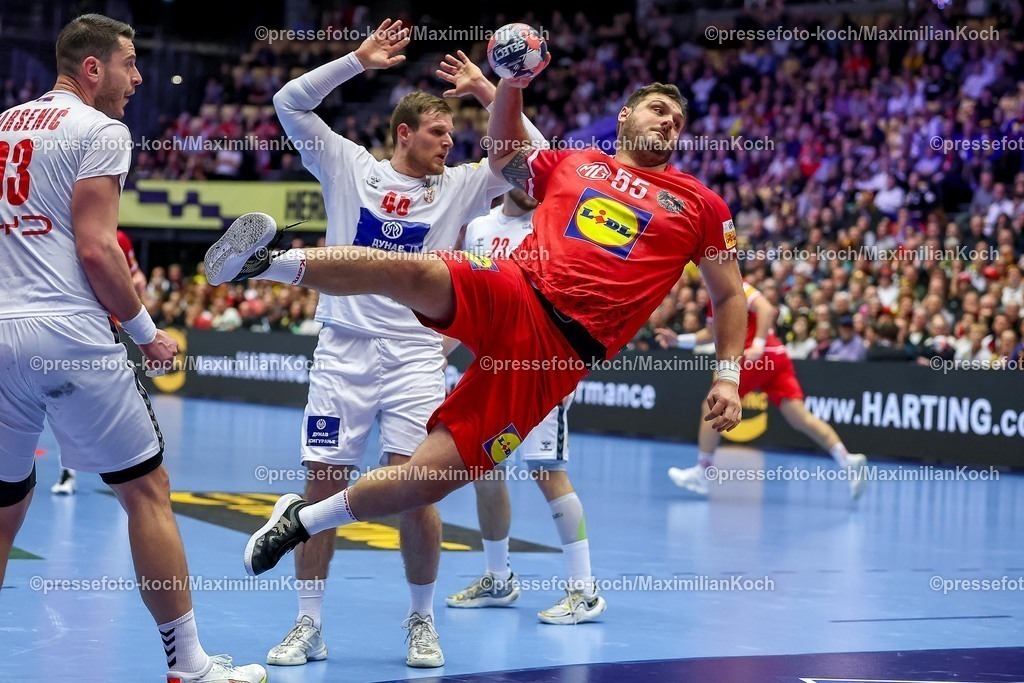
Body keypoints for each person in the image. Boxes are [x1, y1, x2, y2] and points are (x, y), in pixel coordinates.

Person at [205, 62, 747, 613]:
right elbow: (508, 155)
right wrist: (511, 82)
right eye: (659, 109)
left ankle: (302, 519)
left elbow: (729, 296)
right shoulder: (576, 162)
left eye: (679, 120)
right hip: (517, 290)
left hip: (557, 358)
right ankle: (264, 264)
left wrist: (728, 376)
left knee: (425, 481)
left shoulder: (700, 205)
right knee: (410, 270)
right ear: (625, 115)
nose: (670, 121)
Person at [262, 20, 544, 669]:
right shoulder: (347, 164)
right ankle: (308, 624)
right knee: (322, 482)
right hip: (344, 347)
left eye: (454, 132)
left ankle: (420, 620)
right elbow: (288, 103)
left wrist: (490, 87)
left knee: (419, 488)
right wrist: (356, 63)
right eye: (438, 132)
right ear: (403, 134)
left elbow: (541, 157)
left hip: (417, 355)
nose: (451, 141)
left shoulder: (467, 185)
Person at [0, 15, 265, 683]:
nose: (138, 78)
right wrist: (148, 335)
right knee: (146, 491)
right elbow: (95, 248)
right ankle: (190, 666)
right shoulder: (102, 131)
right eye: (129, 63)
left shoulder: (3, 127)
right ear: (92, 69)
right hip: (68, 333)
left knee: (4, 506)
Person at [444, 190, 605, 624]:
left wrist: (572, 367)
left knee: (547, 471)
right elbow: (469, 301)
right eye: (517, 168)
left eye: (534, 172)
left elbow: (577, 302)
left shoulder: (553, 226)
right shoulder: (478, 227)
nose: (528, 179)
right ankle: (499, 579)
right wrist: (435, 352)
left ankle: (584, 590)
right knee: (483, 470)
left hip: (541, 365)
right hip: (489, 369)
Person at [655, 281, 868, 500]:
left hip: (759, 355)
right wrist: (679, 340)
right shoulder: (714, 298)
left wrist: (757, 343)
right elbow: (711, 333)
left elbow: (766, 308)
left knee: (712, 405)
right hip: (776, 355)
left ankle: (703, 471)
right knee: (799, 418)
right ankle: (847, 459)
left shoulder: (736, 285)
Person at [51, 227, 147, 496]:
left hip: (110, 332)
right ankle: (67, 473)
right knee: (63, 405)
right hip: (74, 333)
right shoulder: (63, 233)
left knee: (122, 406)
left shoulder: (120, 238)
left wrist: (138, 284)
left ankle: (132, 477)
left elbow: (136, 274)